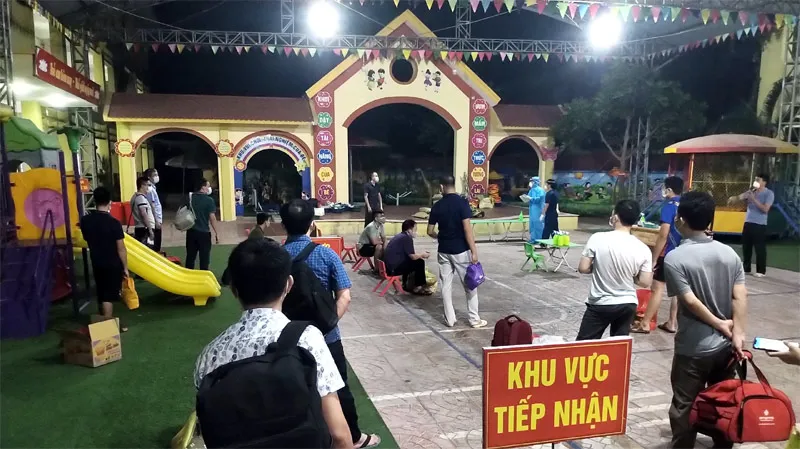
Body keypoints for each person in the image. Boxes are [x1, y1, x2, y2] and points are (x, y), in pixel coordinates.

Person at [194, 239, 352, 449]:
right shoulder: (307, 339)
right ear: (288, 284)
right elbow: (339, 435)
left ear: (234, 289)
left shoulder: (210, 355)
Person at [280, 199, 381, 449]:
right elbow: (345, 295)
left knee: (295, 389)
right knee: (338, 388)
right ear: (312, 224)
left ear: (283, 225)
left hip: (287, 338)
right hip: (327, 337)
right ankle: (354, 437)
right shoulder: (325, 254)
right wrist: (325, 324)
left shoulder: (276, 257)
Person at [664, 191, 747, 449]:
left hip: (693, 347)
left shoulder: (675, 257)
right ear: (710, 220)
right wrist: (737, 333)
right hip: (727, 346)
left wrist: (718, 323)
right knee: (723, 401)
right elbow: (740, 296)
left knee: (684, 404)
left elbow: (689, 301)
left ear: (681, 219)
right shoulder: (729, 254)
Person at [576, 200, 653, 340]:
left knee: (585, 346)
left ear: (615, 217)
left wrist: (598, 266)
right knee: (619, 346)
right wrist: (631, 274)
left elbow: (583, 268)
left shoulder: (597, 238)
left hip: (601, 303)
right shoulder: (643, 248)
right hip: (628, 304)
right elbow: (644, 282)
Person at [427, 176, 487, 328]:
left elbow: (430, 231)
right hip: (460, 250)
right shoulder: (462, 203)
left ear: (442, 187)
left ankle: (450, 319)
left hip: (443, 250)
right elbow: (467, 229)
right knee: (470, 285)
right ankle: (474, 319)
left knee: (445, 286)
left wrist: (440, 237)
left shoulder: (437, 206)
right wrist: (474, 251)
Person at [632, 176, 683, 334]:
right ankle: (672, 323)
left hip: (668, 252)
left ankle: (645, 324)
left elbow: (663, 234)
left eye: (664, 187)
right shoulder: (685, 204)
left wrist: (654, 259)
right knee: (678, 290)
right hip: (683, 251)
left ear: (669, 189)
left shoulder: (669, 206)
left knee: (657, 287)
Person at [80, 187, 129, 331]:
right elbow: (121, 248)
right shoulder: (114, 223)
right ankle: (108, 328)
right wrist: (125, 267)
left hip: (96, 261)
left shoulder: (85, 221)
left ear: (95, 201)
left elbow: (86, 238)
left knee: (101, 292)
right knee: (108, 296)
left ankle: (104, 322)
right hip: (112, 263)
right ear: (110, 202)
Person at [739, 173, 774, 277]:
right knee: (746, 247)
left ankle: (761, 271)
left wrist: (754, 199)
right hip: (748, 222)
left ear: (764, 182)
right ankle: (746, 268)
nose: (756, 181)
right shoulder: (752, 191)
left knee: (759, 248)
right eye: (755, 179)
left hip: (759, 224)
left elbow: (765, 209)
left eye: (758, 180)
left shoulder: (769, 193)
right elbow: (740, 197)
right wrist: (744, 196)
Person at [385, 219, 431, 295]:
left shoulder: (400, 236)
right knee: (419, 262)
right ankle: (419, 286)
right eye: (415, 230)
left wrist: (419, 255)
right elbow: (413, 257)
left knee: (410, 261)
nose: (416, 232)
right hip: (393, 269)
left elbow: (410, 255)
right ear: (409, 230)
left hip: (389, 266)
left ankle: (405, 284)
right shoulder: (406, 238)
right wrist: (422, 255)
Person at [186, 179, 219, 271]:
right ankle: (203, 275)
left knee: (190, 257)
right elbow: (212, 218)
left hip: (191, 232)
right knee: (204, 258)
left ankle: (187, 275)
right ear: (203, 187)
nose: (209, 188)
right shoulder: (209, 200)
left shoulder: (190, 198)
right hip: (204, 233)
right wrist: (217, 232)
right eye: (208, 186)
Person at [130, 176, 156, 246]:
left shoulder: (135, 197)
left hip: (140, 227)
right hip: (144, 229)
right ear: (142, 186)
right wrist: (150, 230)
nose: (149, 187)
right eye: (148, 185)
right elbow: (144, 213)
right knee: (147, 248)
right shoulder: (141, 198)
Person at [143, 168, 163, 252]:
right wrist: (156, 221)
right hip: (154, 220)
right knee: (156, 243)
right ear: (149, 177)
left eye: (157, 175)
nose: (157, 177)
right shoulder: (150, 190)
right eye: (155, 175)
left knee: (156, 242)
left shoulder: (152, 188)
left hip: (156, 219)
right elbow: (152, 206)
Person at [526, 176, 545, 243]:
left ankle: (539, 239)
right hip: (532, 209)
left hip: (538, 209)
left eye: (532, 181)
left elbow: (540, 199)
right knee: (532, 224)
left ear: (535, 182)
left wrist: (531, 198)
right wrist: (526, 198)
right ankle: (533, 238)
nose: (530, 183)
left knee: (538, 224)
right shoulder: (531, 190)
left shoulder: (540, 190)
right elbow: (528, 197)